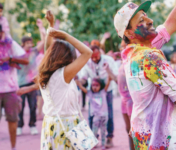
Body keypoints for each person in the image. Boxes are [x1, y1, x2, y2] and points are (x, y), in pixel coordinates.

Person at [113, 0, 176, 149]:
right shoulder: (149, 57)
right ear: (129, 32)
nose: (150, 20)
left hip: (145, 138)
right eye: (141, 19)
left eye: (146, 15)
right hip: (163, 138)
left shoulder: (132, 53)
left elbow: (171, 23)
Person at [39, 10, 92, 149]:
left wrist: (50, 25)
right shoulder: (62, 74)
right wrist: (65, 36)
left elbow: (48, 48)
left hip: (51, 124)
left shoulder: (47, 72)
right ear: (68, 57)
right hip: (65, 126)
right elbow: (88, 52)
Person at [80, 45, 118, 148]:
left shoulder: (108, 60)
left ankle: (109, 138)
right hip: (94, 92)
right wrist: (80, 81)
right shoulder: (87, 62)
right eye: (93, 57)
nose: (95, 59)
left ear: (100, 53)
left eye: (97, 56)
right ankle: (93, 138)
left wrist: (108, 71)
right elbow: (84, 77)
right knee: (92, 115)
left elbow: (115, 75)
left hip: (107, 90)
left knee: (108, 115)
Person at [0, 24, 29, 150]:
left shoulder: (10, 44)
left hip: (10, 89)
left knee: (13, 120)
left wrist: (10, 59)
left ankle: (13, 147)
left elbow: (26, 60)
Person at [17, 22, 45, 135]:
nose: (30, 45)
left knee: (33, 105)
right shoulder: (18, 53)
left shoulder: (34, 52)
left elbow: (43, 42)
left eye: (31, 43)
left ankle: (32, 125)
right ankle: (19, 126)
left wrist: (40, 27)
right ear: (23, 43)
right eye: (27, 43)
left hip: (33, 82)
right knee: (20, 106)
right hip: (20, 83)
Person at [77, 77, 111, 150]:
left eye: (97, 85)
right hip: (96, 116)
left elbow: (108, 84)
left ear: (100, 85)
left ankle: (103, 145)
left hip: (104, 116)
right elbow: (83, 89)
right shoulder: (90, 93)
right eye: (93, 85)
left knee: (103, 131)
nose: (95, 87)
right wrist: (79, 83)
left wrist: (109, 77)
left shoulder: (103, 92)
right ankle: (93, 143)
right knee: (94, 131)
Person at [117, 40, 134, 150]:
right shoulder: (123, 62)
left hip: (131, 100)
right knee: (128, 129)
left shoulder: (132, 62)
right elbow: (118, 81)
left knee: (134, 130)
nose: (122, 49)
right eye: (121, 47)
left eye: (124, 46)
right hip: (124, 99)